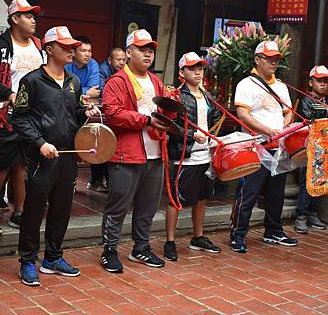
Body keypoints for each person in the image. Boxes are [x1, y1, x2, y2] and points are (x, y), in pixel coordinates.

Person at [11, 26, 100, 286]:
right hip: (42, 156)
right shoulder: (32, 80)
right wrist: (39, 143)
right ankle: (28, 260)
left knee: (62, 208)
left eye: (73, 46)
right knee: (34, 209)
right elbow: (19, 117)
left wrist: (87, 113)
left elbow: (75, 112)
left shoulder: (74, 81)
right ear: (49, 49)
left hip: (68, 155)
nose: (72, 51)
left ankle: (52, 256)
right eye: (66, 46)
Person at [0, 0, 43, 241]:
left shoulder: (38, 46)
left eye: (34, 16)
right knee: (0, 168)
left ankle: (19, 212)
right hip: (8, 115)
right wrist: (10, 94)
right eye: (28, 15)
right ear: (14, 19)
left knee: (23, 167)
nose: (33, 20)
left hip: (32, 118)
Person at [100, 29, 170, 273]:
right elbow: (113, 113)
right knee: (118, 206)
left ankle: (141, 248)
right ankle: (109, 250)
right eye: (142, 49)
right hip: (127, 153)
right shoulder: (117, 81)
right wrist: (146, 120)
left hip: (155, 152)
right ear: (129, 52)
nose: (148, 54)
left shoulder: (157, 81)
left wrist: (172, 109)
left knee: (148, 206)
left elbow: (164, 115)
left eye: (151, 50)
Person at [229, 40, 298, 253]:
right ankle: (238, 234)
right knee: (248, 191)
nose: (273, 62)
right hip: (255, 146)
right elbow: (242, 114)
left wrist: (284, 128)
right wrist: (267, 131)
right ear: (257, 59)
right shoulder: (246, 84)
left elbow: (288, 111)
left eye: (276, 59)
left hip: (278, 146)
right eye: (269, 58)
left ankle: (273, 230)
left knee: (276, 192)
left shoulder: (281, 86)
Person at [164, 52, 222, 261]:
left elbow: (215, 119)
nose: (198, 72)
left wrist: (213, 137)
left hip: (205, 155)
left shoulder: (206, 96)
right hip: (185, 155)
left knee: (201, 198)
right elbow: (170, 125)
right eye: (192, 68)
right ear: (182, 72)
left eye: (200, 68)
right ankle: (170, 241)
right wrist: (190, 134)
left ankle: (198, 237)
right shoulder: (176, 96)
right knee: (176, 199)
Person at [294, 65, 328, 234]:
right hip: (310, 148)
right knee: (307, 182)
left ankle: (313, 213)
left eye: (325, 81)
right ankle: (301, 216)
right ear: (311, 82)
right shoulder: (305, 101)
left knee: (321, 181)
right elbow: (306, 124)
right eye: (319, 81)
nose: (323, 84)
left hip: (327, 148)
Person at [64, 36, 103, 192]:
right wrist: (84, 91)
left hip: (83, 109)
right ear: (74, 52)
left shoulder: (93, 64)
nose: (88, 54)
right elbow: (64, 89)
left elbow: (96, 89)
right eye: (83, 51)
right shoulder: (67, 65)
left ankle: (78, 181)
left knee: (88, 142)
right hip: (66, 110)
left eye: (90, 51)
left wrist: (77, 92)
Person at [89, 47, 127, 192]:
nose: (122, 63)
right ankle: (96, 180)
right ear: (110, 60)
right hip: (101, 112)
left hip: (115, 113)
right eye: (118, 60)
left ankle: (105, 181)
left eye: (124, 60)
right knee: (101, 144)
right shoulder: (102, 69)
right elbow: (102, 90)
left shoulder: (125, 70)